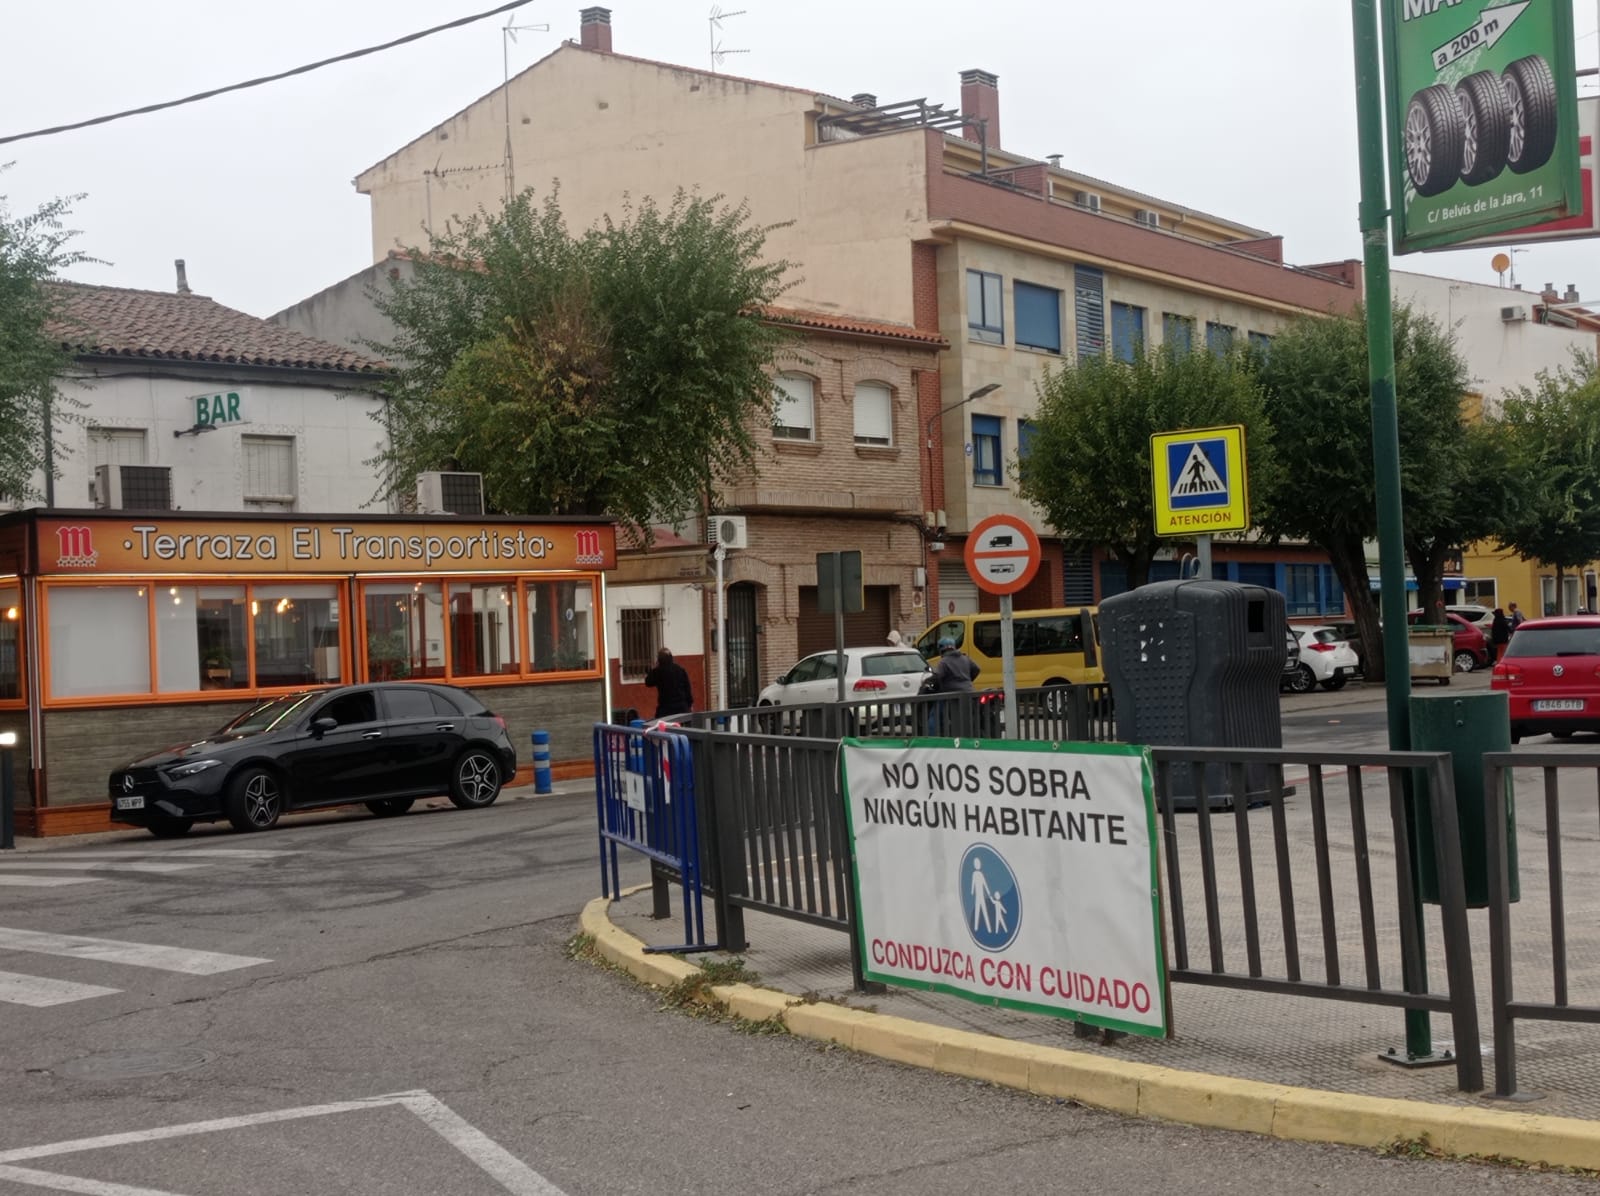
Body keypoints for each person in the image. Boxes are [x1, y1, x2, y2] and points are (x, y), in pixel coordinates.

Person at [643, 647, 694, 719]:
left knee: (661, 728)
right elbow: (687, 688)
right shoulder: (680, 669)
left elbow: (648, 682)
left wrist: (654, 669)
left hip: (666, 709)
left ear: (659, 659)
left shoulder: (658, 671)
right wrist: (690, 704)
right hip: (682, 708)